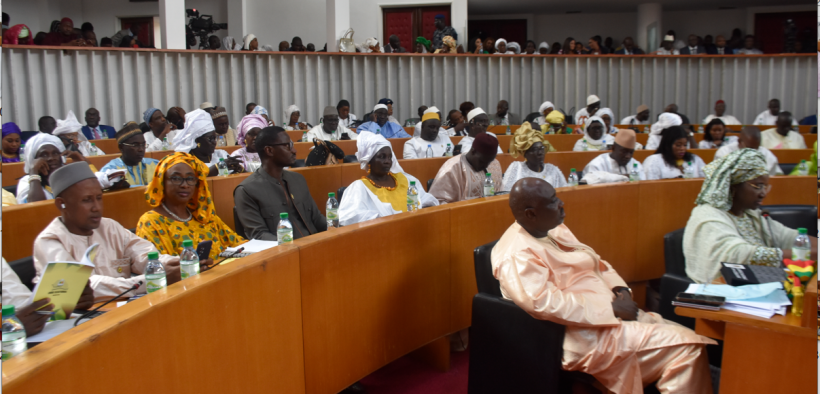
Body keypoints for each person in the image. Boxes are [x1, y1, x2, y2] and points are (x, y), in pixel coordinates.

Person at [492, 178, 715, 394]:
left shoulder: (552, 228)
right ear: (531, 213)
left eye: (557, 196)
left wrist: (621, 290)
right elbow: (542, 303)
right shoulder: (517, 254)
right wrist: (609, 310)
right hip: (581, 334)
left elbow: (596, 262)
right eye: (552, 201)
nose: (561, 203)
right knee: (688, 348)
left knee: (684, 335)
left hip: (612, 314)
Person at [31, 162, 182, 301]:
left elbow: (143, 255)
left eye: (99, 198)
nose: (97, 207)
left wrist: (178, 264)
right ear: (62, 204)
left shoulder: (109, 226)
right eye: (87, 200)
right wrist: (153, 279)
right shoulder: (50, 241)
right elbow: (87, 286)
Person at [684, 148, 816, 284]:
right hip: (721, 293)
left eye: (766, 187)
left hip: (756, 285)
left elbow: (788, 237)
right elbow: (739, 255)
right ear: (733, 186)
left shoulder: (750, 214)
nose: (763, 193)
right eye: (758, 186)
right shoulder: (707, 214)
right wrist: (801, 256)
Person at [137, 152, 245, 260]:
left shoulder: (204, 216)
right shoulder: (150, 222)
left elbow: (240, 245)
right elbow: (160, 268)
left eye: (190, 179)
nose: (185, 185)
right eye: (176, 178)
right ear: (161, 182)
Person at [234, 126, 327, 240]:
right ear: (269, 150)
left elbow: (317, 219)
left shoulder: (298, 179)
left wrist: (337, 231)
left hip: (315, 246)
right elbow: (259, 235)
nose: (294, 150)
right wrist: (296, 248)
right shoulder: (246, 190)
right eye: (287, 146)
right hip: (285, 253)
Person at [339, 132, 438, 225]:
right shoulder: (359, 187)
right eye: (382, 157)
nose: (387, 161)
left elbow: (428, 201)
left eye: (390, 157)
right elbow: (349, 218)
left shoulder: (406, 179)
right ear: (369, 160)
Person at [429, 133, 503, 204]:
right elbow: (438, 203)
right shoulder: (452, 168)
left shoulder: (495, 164)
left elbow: (499, 194)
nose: (486, 166)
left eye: (489, 162)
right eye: (482, 161)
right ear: (473, 151)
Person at [173, 109, 243, 176]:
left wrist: (239, 170)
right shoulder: (185, 161)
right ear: (197, 140)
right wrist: (217, 167)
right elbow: (195, 179)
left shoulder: (221, 155)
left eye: (215, 138)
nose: (214, 142)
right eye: (210, 139)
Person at [501, 123, 563, 191]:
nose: (540, 153)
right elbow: (505, 193)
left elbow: (566, 194)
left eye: (542, 148)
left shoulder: (553, 170)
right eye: (535, 149)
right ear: (526, 153)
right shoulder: (517, 167)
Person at [100, 122, 159, 187]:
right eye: (135, 145)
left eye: (143, 144)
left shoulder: (154, 164)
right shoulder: (111, 171)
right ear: (121, 147)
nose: (141, 149)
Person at [715, 126, 783, 176]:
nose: (752, 153)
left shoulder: (767, 155)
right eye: (749, 148)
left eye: (756, 148)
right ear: (739, 141)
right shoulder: (723, 153)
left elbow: (775, 179)